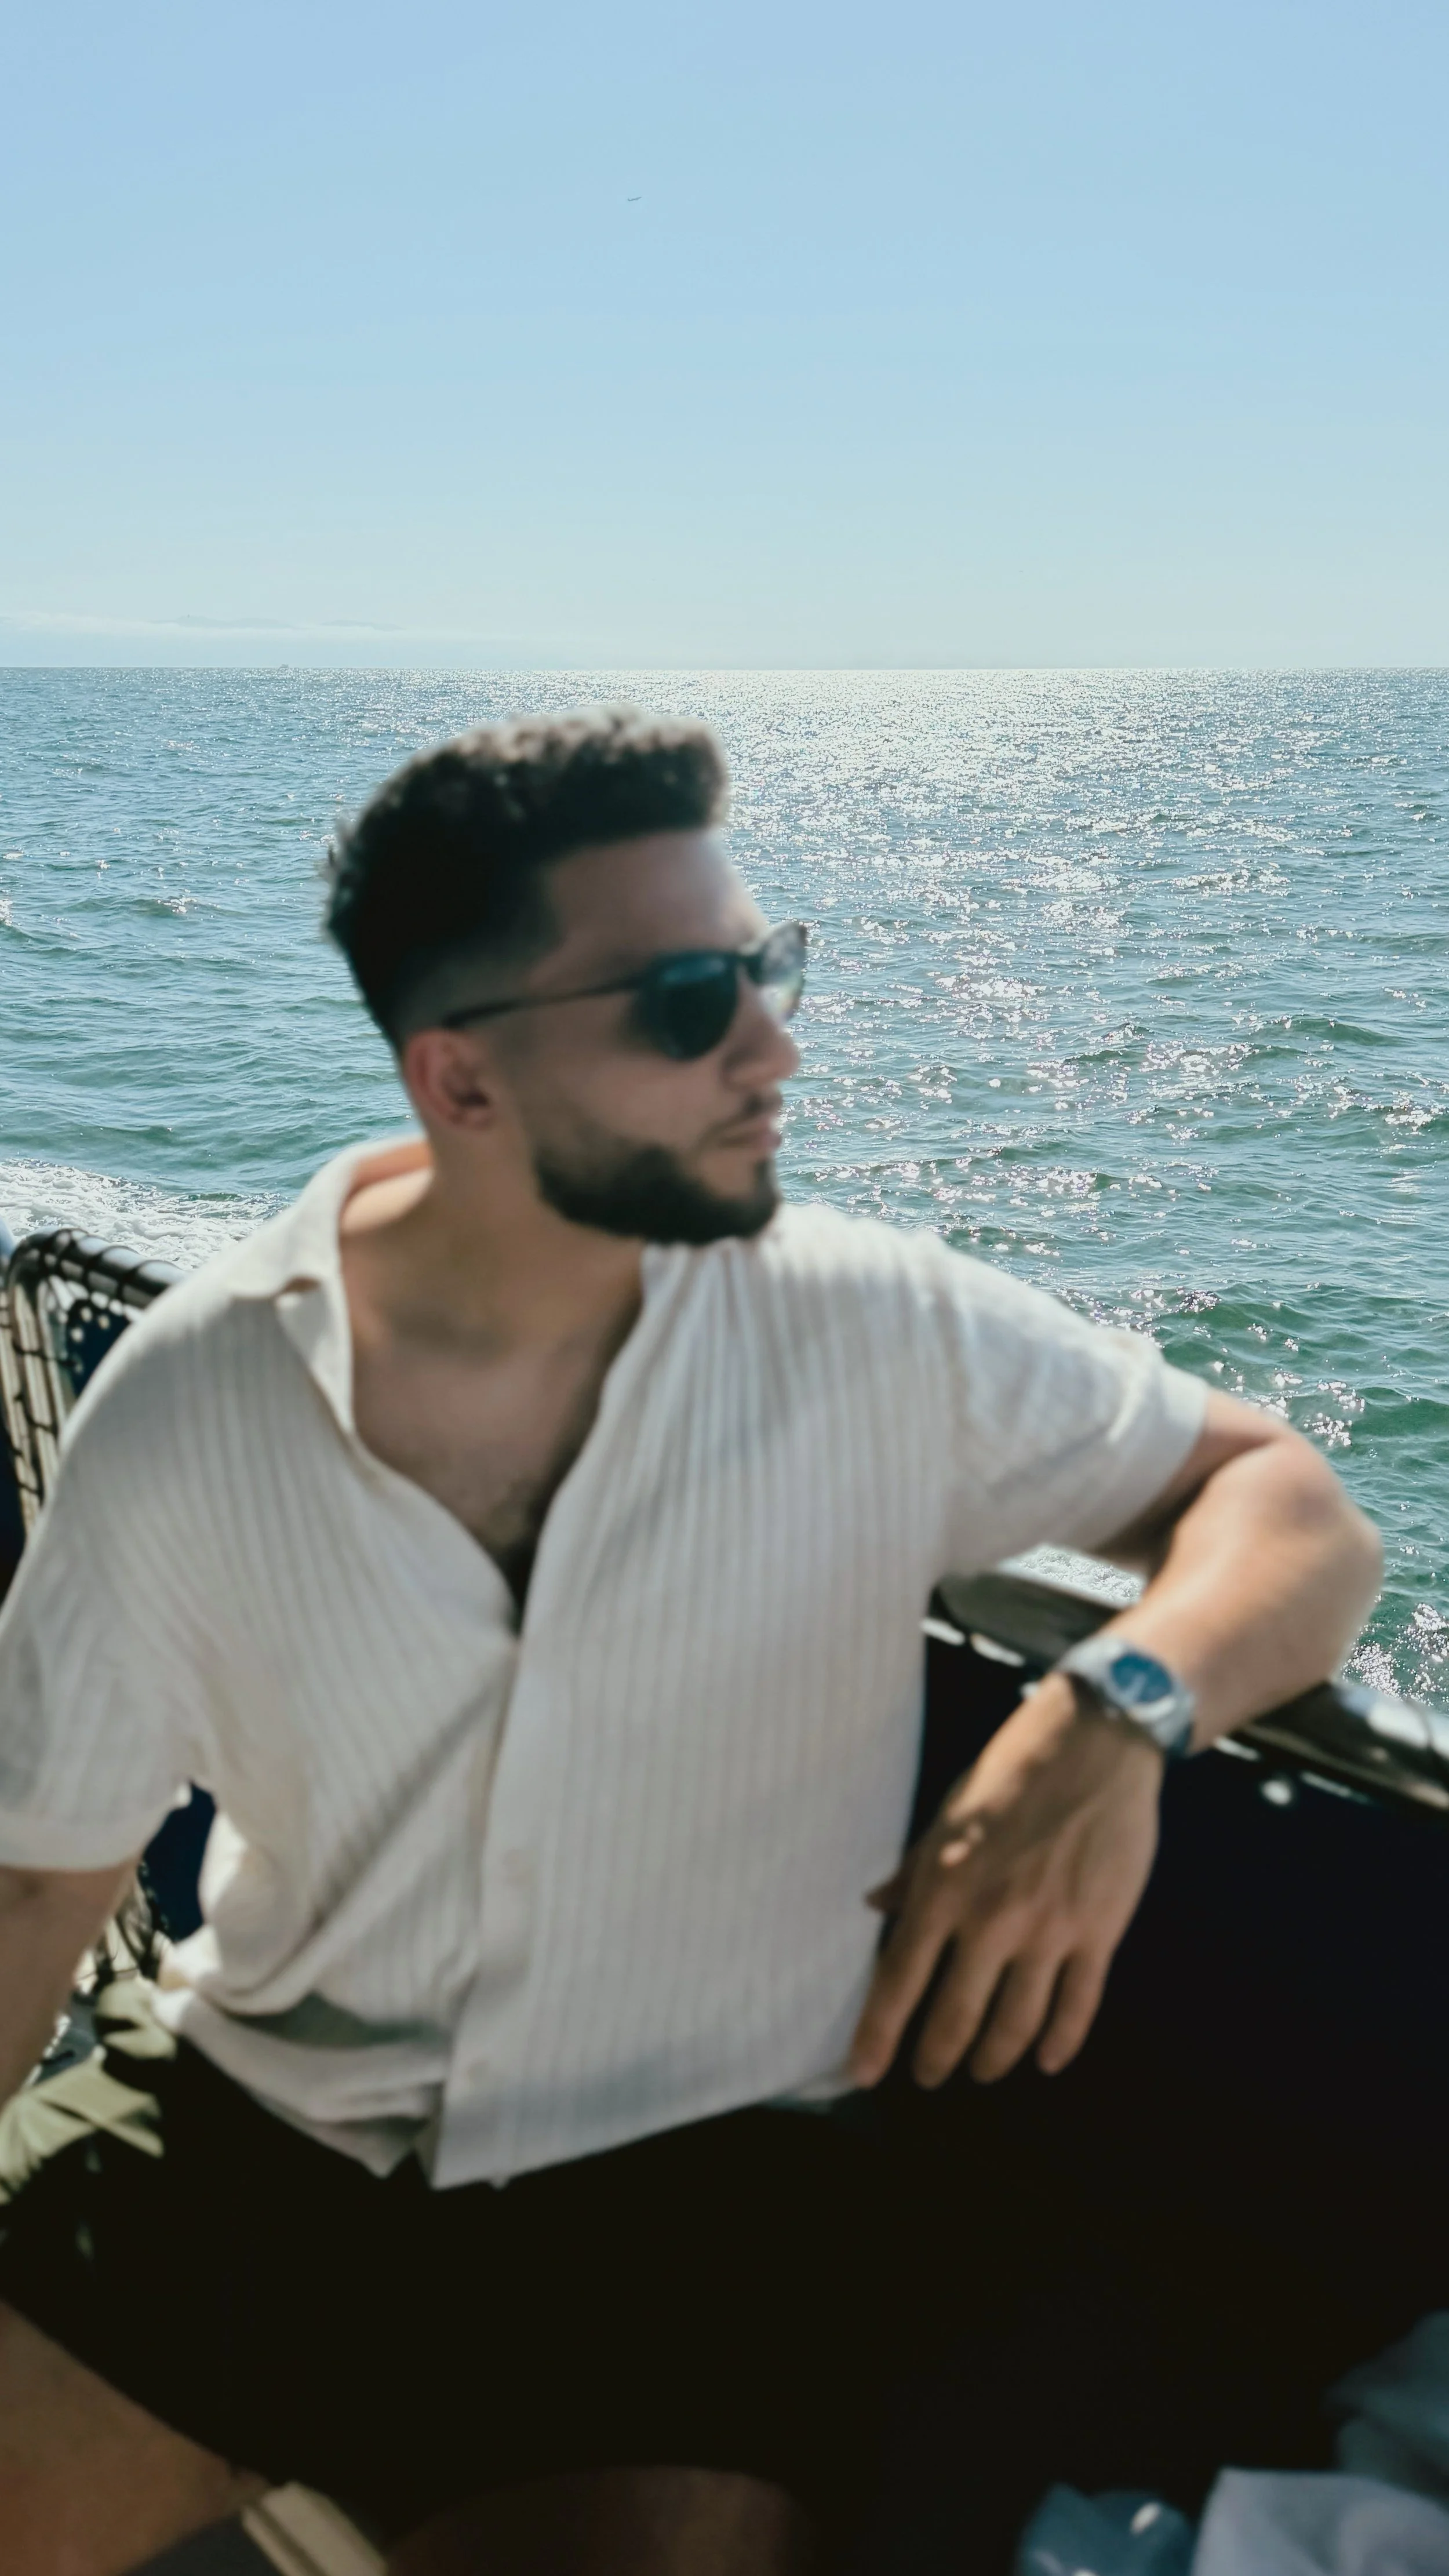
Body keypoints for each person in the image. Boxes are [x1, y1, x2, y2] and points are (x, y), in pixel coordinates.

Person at [0, 709, 1379, 2576]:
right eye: (680, 1004)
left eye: (763, 968)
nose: (771, 1049)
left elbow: (1290, 1506)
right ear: (460, 1081)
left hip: (693, 2188)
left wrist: (1111, 1709)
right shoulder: (191, 1407)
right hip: (253, 2124)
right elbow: (38, 1891)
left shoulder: (864, 1329)